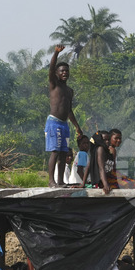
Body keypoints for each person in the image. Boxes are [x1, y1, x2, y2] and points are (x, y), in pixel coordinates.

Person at [91, 128, 135, 227]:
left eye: (120, 138)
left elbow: (112, 169)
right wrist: (106, 183)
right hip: (108, 180)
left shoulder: (111, 150)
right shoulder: (105, 150)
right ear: (110, 138)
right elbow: (102, 169)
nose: (118, 140)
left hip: (113, 177)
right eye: (116, 138)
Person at [46, 44, 83, 187]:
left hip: (64, 124)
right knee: (55, 151)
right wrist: (56, 53)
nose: (65, 73)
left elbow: (69, 110)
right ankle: (51, 181)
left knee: (63, 153)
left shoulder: (69, 90)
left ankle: (61, 181)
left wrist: (77, 127)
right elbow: (51, 67)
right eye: (62, 71)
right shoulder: (54, 84)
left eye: (66, 71)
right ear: (56, 73)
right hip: (54, 122)